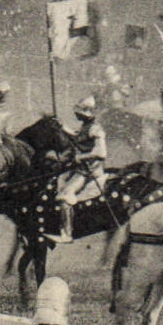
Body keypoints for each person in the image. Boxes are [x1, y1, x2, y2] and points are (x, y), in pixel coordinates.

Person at [52, 96, 108, 243]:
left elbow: (101, 153)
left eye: (78, 112)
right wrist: (61, 126)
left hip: (89, 171)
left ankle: (67, 233)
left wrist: (81, 157)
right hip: (81, 169)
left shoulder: (95, 129)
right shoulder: (85, 127)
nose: (75, 114)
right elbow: (76, 137)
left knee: (65, 195)